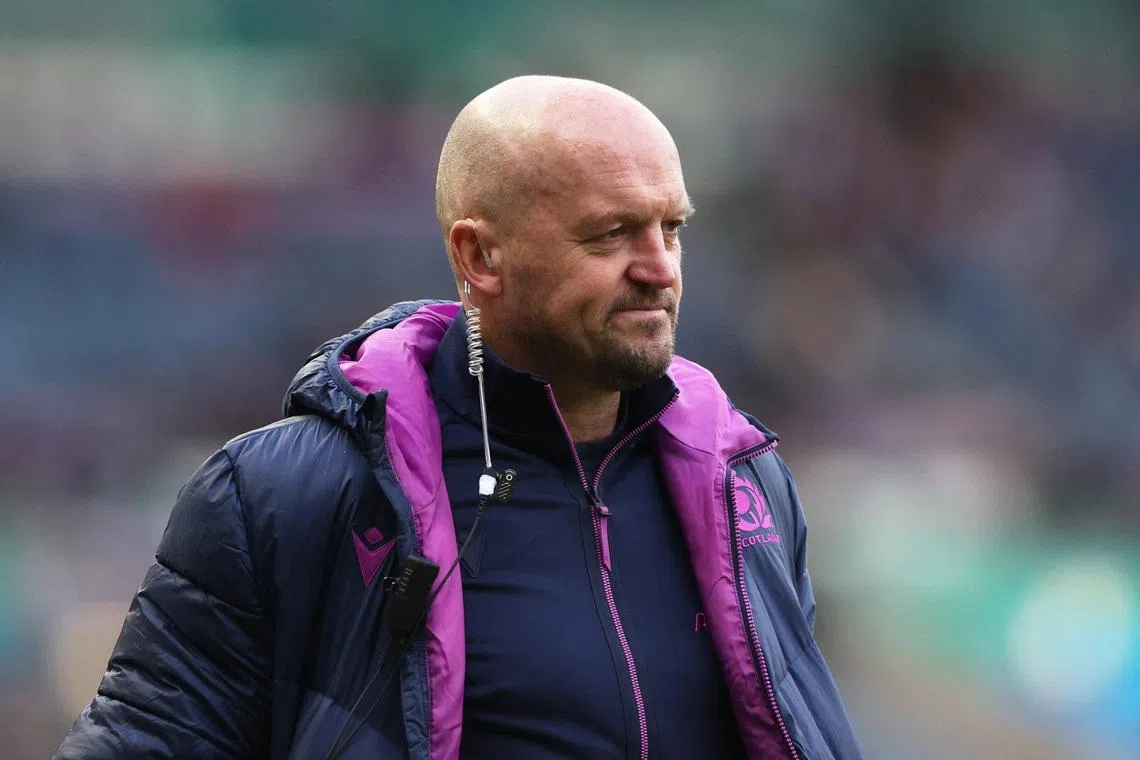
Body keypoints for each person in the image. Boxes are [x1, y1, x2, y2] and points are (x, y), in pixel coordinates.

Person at [55, 75, 863, 760]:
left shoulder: (744, 483)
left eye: (671, 228)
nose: (658, 268)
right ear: (480, 257)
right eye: (611, 233)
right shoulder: (279, 495)